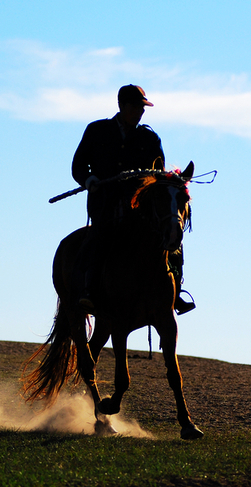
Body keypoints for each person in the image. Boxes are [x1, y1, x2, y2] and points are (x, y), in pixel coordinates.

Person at [71, 84, 196, 315]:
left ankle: (175, 291)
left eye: (143, 108)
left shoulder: (150, 138)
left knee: (172, 234)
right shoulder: (96, 131)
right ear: (122, 106)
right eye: (137, 107)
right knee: (99, 238)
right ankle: (89, 291)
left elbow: (158, 176)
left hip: (140, 207)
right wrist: (91, 182)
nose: (141, 112)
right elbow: (78, 166)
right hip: (105, 204)